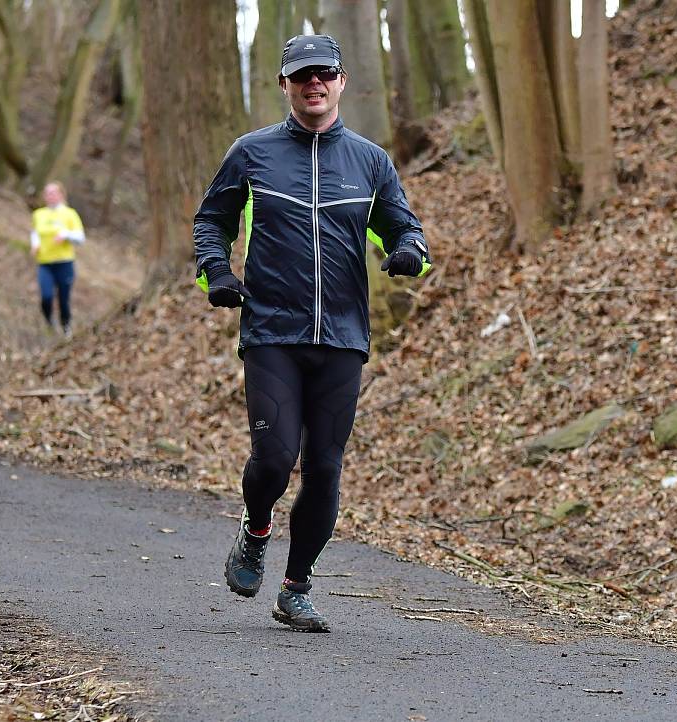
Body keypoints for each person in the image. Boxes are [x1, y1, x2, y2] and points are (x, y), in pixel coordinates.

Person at [193, 34, 430, 633]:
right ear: (285, 86)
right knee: (275, 459)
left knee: (324, 466)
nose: (314, 84)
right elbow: (210, 222)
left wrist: (407, 252)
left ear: (342, 82)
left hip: (344, 337)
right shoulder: (252, 154)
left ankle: (296, 588)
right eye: (302, 76)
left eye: (324, 74)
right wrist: (216, 275)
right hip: (272, 330)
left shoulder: (371, 161)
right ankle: (255, 529)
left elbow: (406, 228)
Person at [30, 182, 85, 338]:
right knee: (46, 296)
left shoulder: (70, 214)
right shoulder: (38, 214)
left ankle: (66, 326)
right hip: (45, 263)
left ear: (61, 195)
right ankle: (49, 322)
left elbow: (80, 238)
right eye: (47, 193)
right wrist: (35, 245)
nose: (50, 196)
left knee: (63, 299)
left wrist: (65, 234)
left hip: (64, 262)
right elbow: (35, 233)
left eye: (54, 193)